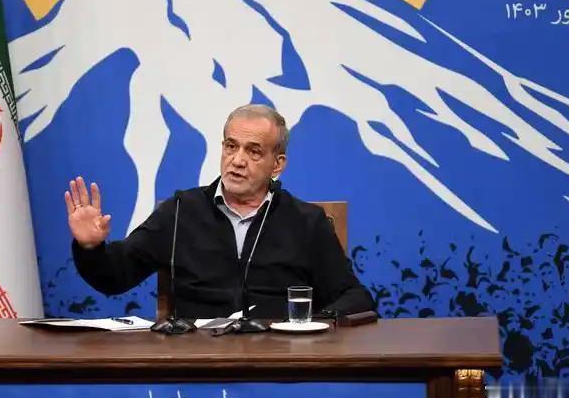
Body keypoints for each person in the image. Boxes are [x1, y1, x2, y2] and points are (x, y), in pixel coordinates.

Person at [67, 104, 373, 319]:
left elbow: (355, 298)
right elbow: (114, 276)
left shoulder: (306, 222)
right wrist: (90, 247)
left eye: (253, 151)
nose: (237, 160)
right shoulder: (181, 211)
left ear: (277, 164)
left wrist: (310, 324)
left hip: (281, 362)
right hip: (197, 362)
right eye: (231, 146)